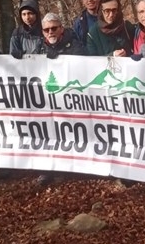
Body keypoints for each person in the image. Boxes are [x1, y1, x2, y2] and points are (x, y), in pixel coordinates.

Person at [31, 13, 86, 185]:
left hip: (71, 100)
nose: (50, 32)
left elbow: (85, 66)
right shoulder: (38, 48)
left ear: (61, 29)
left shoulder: (75, 45)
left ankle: (72, 166)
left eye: (54, 28)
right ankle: (47, 171)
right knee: (46, 132)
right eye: (46, 30)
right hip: (47, 101)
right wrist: (20, 58)